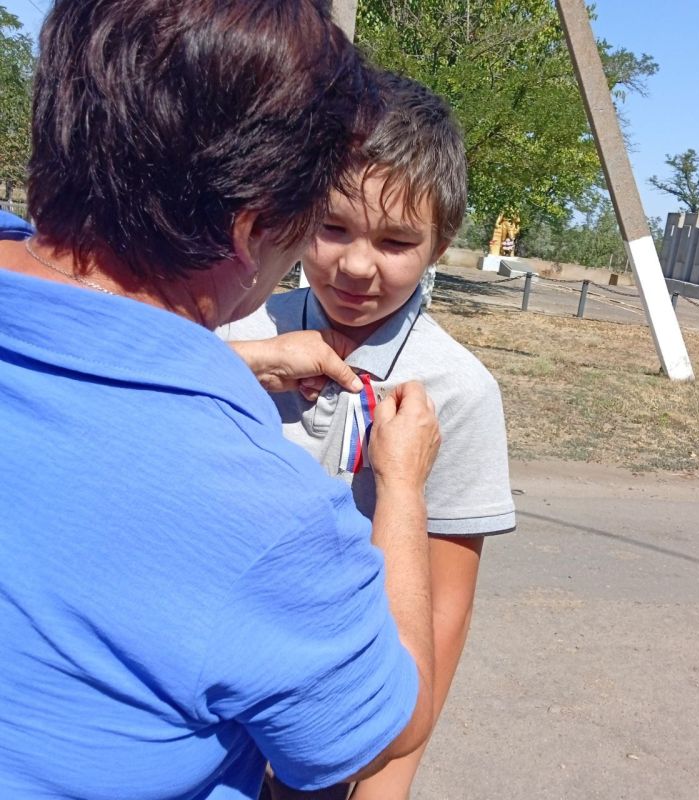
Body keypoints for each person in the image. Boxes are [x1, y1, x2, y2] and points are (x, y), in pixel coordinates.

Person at [0, 2, 441, 798]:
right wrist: (403, 489)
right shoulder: (261, 513)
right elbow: (386, 726)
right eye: (320, 222)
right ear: (254, 227)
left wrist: (240, 360)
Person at [224, 73, 516, 800]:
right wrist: (240, 364)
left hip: (333, 730)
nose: (357, 266)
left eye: (396, 241)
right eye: (332, 227)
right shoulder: (234, 327)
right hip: (211, 701)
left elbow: (442, 609)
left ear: (441, 243)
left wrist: (389, 779)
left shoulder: (458, 392)